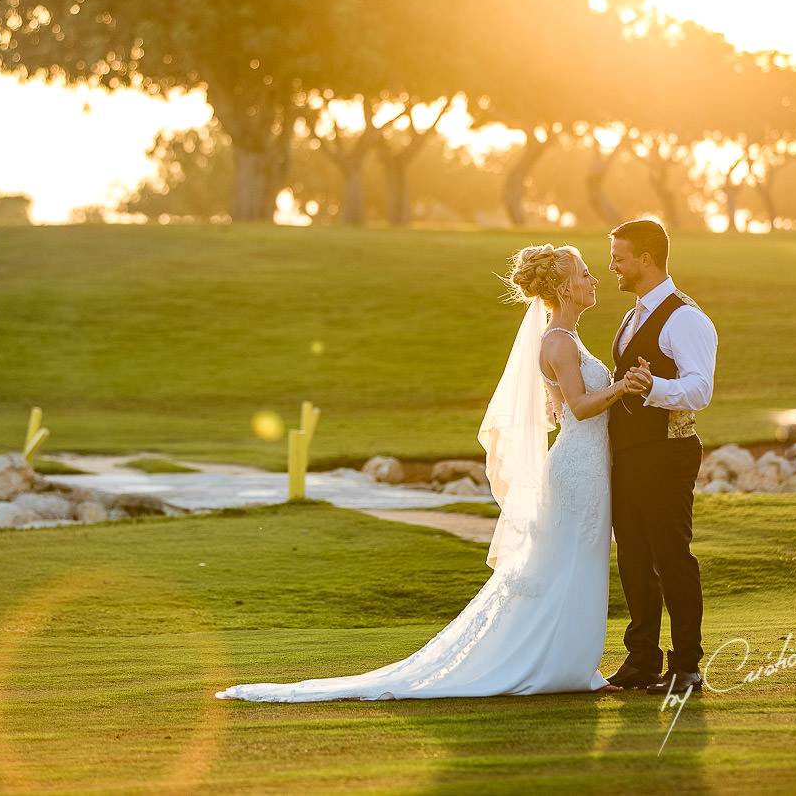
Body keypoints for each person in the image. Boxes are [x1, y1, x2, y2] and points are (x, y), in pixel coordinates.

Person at [215, 245, 649, 703]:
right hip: (577, 471)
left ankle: (568, 661)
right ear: (563, 287)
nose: (594, 279)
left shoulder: (566, 338)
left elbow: (561, 406)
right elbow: (580, 409)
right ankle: (552, 662)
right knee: (568, 563)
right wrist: (623, 386)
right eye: (585, 274)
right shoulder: (558, 341)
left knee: (575, 564)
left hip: (587, 467)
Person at [603, 220, 718, 696]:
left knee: (672, 559)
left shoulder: (685, 318)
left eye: (619, 257)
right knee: (633, 558)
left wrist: (655, 387)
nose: (612, 264)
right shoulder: (633, 315)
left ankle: (686, 665)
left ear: (646, 259)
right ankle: (643, 660)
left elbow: (700, 388)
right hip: (629, 455)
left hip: (668, 453)